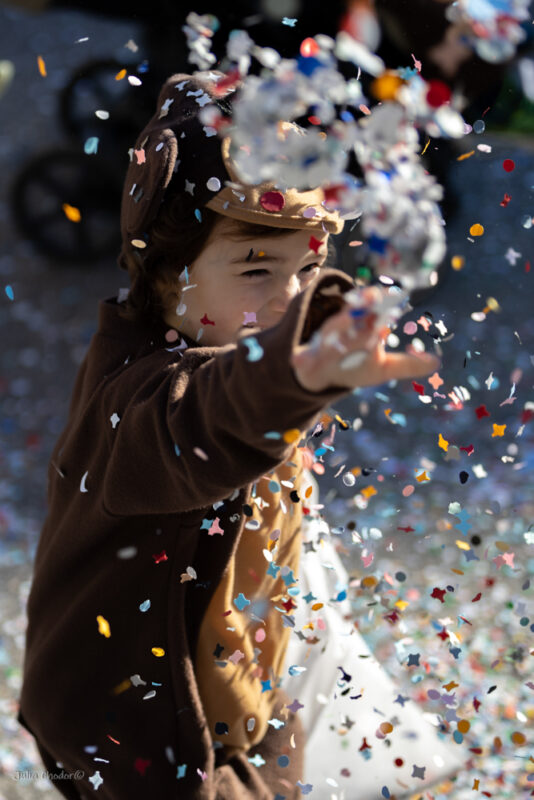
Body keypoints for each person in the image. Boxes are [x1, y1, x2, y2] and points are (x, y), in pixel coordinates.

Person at [16, 70, 452, 800]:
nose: (290, 302)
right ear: (164, 274)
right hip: (142, 745)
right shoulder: (140, 404)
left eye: (309, 269)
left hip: (237, 675)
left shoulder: (236, 362)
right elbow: (208, 423)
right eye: (256, 268)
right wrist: (299, 375)